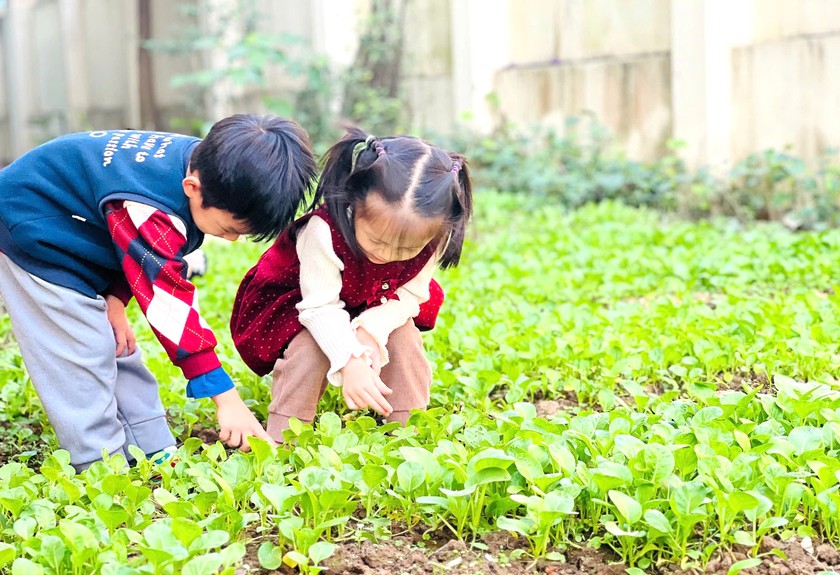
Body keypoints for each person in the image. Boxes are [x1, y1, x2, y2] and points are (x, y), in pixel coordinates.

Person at [0, 114, 317, 471]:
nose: (231, 239)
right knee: (80, 349)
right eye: (229, 228)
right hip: (32, 229)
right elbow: (168, 301)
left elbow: (133, 246)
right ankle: (98, 462)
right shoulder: (148, 204)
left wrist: (116, 300)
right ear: (192, 187)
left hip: (80, 228)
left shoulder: (206, 166)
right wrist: (226, 398)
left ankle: (149, 444)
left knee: (118, 345)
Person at [230, 128, 473, 440]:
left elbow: (411, 295)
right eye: (375, 240)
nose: (386, 255)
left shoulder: (436, 233)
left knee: (405, 338)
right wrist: (350, 360)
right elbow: (319, 308)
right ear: (353, 202)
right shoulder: (322, 231)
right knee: (311, 346)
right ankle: (283, 436)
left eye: (405, 251)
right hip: (305, 301)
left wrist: (368, 331)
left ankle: (408, 429)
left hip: (378, 300)